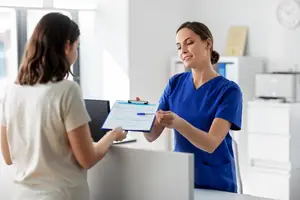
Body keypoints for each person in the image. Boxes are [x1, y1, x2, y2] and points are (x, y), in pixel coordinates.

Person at [0, 13, 127, 200]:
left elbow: (9, 157)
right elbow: (87, 159)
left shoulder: (10, 91)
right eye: (77, 46)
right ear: (67, 46)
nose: (76, 52)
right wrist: (112, 135)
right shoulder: (67, 90)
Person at [138, 21, 243, 193]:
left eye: (189, 43)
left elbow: (211, 143)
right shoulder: (175, 83)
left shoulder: (229, 91)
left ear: (208, 44)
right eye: (179, 46)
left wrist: (178, 123)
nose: (183, 51)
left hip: (216, 182)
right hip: (181, 177)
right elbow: (151, 135)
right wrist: (140, 118)